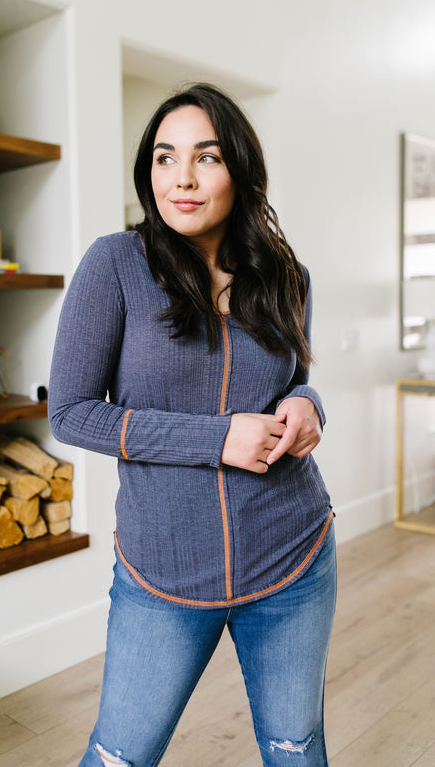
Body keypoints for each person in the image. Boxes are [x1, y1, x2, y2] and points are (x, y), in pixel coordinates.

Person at [48, 83, 336, 767]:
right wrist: (216, 438)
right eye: (162, 157)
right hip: (164, 572)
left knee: (295, 748)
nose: (180, 177)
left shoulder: (286, 274)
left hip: (293, 554)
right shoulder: (115, 264)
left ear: (239, 167)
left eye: (205, 157)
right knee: (119, 756)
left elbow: (291, 380)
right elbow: (71, 412)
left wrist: (308, 406)